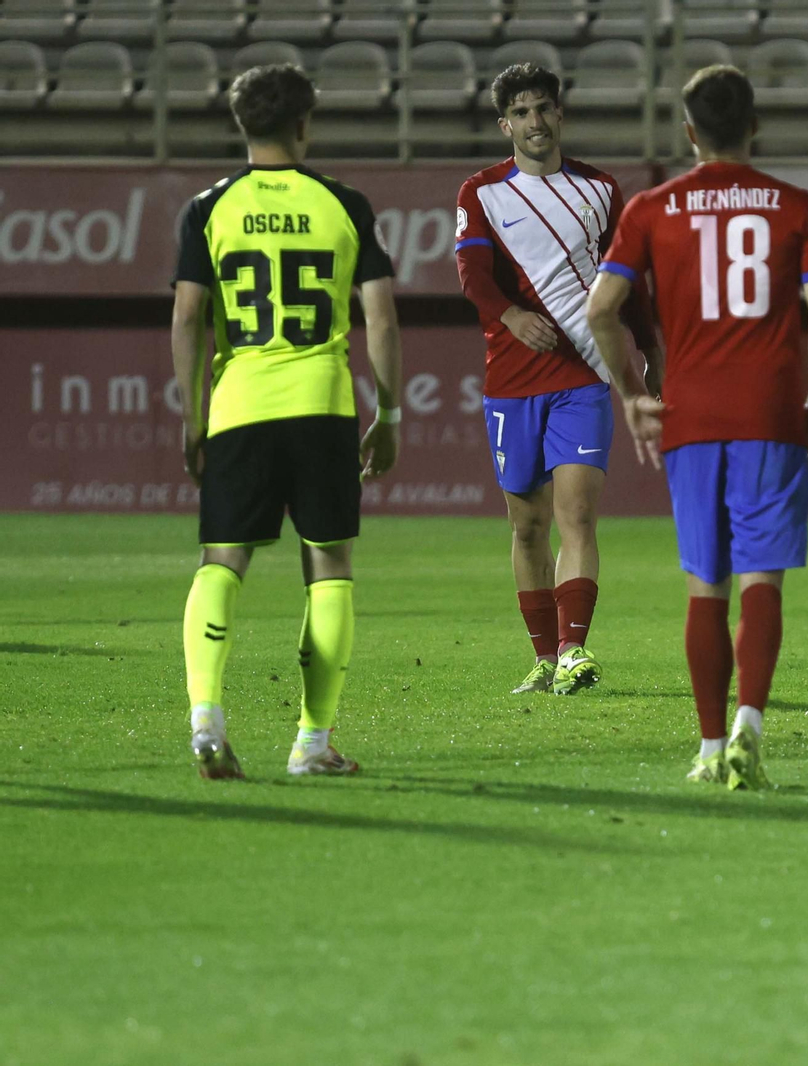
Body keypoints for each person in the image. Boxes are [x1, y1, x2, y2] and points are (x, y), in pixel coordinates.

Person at [586, 65, 808, 790]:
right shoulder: (795, 207)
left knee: (707, 586)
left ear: (690, 131)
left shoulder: (652, 208)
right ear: (754, 125)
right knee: (763, 577)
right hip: (771, 412)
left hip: (691, 417)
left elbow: (601, 310)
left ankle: (706, 750)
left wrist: (634, 395)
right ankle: (749, 730)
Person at [172, 64, 402, 779]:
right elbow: (381, 316)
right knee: (328, 568)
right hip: (322, 403)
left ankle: (206, 716)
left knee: (222, 561)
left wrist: (194, 416)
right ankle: (312, 742)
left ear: (241, 125)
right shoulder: (343, 204)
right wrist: (388, 409)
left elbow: (187, 318)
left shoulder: (207, 208)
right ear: (305, 123)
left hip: (240, 404)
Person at [455, 63, 661, 697]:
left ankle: (574, 648)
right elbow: (474, 277)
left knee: (577, 517)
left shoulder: (601, 189)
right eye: (521, 113)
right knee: (526, 526)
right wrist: (511, 315)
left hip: (586, 374)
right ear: (504, 124)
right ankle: (545, 658)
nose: (534, 122)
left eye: (543, 108)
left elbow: (632, 280)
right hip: (512, 380)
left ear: (560, 114)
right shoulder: (482, 193)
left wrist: (649, 352)